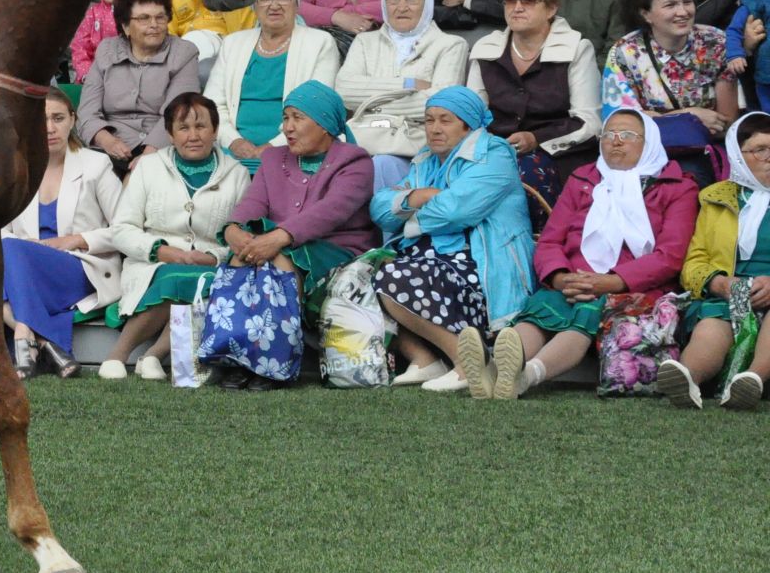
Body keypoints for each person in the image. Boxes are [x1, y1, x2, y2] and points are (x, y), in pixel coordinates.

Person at [489, 111, 697, 398]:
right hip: (574, 281)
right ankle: (496, 370)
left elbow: (670, 255)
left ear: (649, 142)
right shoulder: (584, 178)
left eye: (627, 136)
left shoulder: (677, 186)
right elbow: (550, 240)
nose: (615, 142)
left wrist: (610, 282)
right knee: (543, 308)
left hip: (632, 286)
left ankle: (526, 376)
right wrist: (561, 278)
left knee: (589, 311)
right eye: (609, 134)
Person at [369, 87, 535, 393]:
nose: (434, 128)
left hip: (483, 265)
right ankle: (424, 359)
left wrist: (407, 215)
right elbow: (380, 209)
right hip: (431, 259)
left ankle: (467, 363)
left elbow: (456, 212)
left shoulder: (495, 154)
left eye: (445, 120)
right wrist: (419, 195)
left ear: (468, 125)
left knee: (395, 275)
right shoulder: (425, 159)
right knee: (363, 273)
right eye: (429, 120)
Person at [216, 81, 378, 389]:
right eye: (285, 117)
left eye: (297, 118)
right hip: (281, 245)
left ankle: (274, 362)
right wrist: (234, 229)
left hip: (336, 249)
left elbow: (330, 212)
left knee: (281, 258)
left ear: (326, 124)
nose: (287, 127)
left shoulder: (356, 161)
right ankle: (238, 358)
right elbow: (253, 203)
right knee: (240, 256)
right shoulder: (273, 158)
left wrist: (279, 237)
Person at [93, 92, 249, 380]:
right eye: (183, 128)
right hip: (152, 263)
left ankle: (152, 356)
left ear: (215, 131)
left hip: (210, 265)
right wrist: (160, 251)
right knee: (175, 276)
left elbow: (241, 236)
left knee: (201, 281)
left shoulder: (237, 174)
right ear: (170, 134)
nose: (193, 135)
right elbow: (122, 229)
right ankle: (119, 354)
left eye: (201, 126)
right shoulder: (149, 168)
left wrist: (212, 256)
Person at [0, 94, 122, 378]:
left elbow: (125, 229)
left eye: (57, 118)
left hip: (80, 266)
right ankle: (44, 342)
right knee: (5, 257)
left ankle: (23, 337)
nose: (49, 128)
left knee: (11, 257)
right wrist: (25, 249)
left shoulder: (96, 165)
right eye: (40, 120)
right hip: (26, 270)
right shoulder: (17, 168)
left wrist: (75, 240)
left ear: (72, 120)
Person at [670, 114, 770, 410]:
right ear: (739, 157)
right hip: (730, 291)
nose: (769, 157)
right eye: (760, 150)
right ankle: (686, 379)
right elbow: (694, 262)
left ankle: (752, 379)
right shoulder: (715, 200)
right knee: (712, 325)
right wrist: (719, 282)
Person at [603, 0, 739, 185]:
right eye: (670, 5)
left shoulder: (715, 43)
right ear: (646, 14)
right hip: (644, 150)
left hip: (705, 148)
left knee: (691, 173)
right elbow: (621, 123)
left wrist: (655, 116)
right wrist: (689, 115)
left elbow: (724, 121)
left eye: (687, 2)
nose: (683, 12)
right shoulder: (625, 52)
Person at [337, 0, 470, 185]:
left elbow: (442, 105)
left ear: (427, 4)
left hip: (416, 145)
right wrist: (407, 84)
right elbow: (344, 91)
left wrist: (372, 105)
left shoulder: (451, 45)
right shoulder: (364, 41)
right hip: (365, 138)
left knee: (380, 165)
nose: (402, 6)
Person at [205, 0, 341, 172]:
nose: (274, 5)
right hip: (231, 151)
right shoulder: (233, 43)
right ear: (255, 5)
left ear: (297, 4)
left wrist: (273, 147)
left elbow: (315, 107)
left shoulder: (320, 42)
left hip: (295, 150)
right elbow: (212, 104)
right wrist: (234, 141)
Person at [76, 0, 200, 171]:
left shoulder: (183, 53)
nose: (154, 25)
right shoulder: (107, 50)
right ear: (125, 26)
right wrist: (107, 141)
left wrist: (150, 154)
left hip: (163, 147)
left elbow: (178, 112)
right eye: (143, 18)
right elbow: (87, 111)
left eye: (160, 17)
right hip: (108, 148)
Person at [68, 0, 128, 81]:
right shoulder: (92, 12)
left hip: (125, 75)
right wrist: (86, 73)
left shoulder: (130, 12)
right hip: (95, 75)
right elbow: (80, 45)